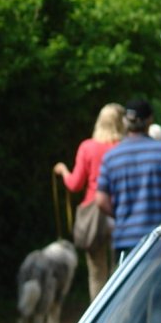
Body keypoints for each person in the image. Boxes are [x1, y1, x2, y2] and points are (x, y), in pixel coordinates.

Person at [95, 98, 161, 323]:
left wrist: (123, 216)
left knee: (131, 305)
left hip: (126, 241)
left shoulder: (112, 156)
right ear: (149, 121)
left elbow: (100, 200)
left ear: (127, 122)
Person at [55, 103, 124, 299]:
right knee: (119, 270)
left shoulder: (88, 147)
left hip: (94, 213)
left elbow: (75, 184)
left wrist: (63, 171)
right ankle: (119, 313)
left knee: (96, 273)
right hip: (119, 211)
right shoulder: (124, 147)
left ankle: (99, 320)